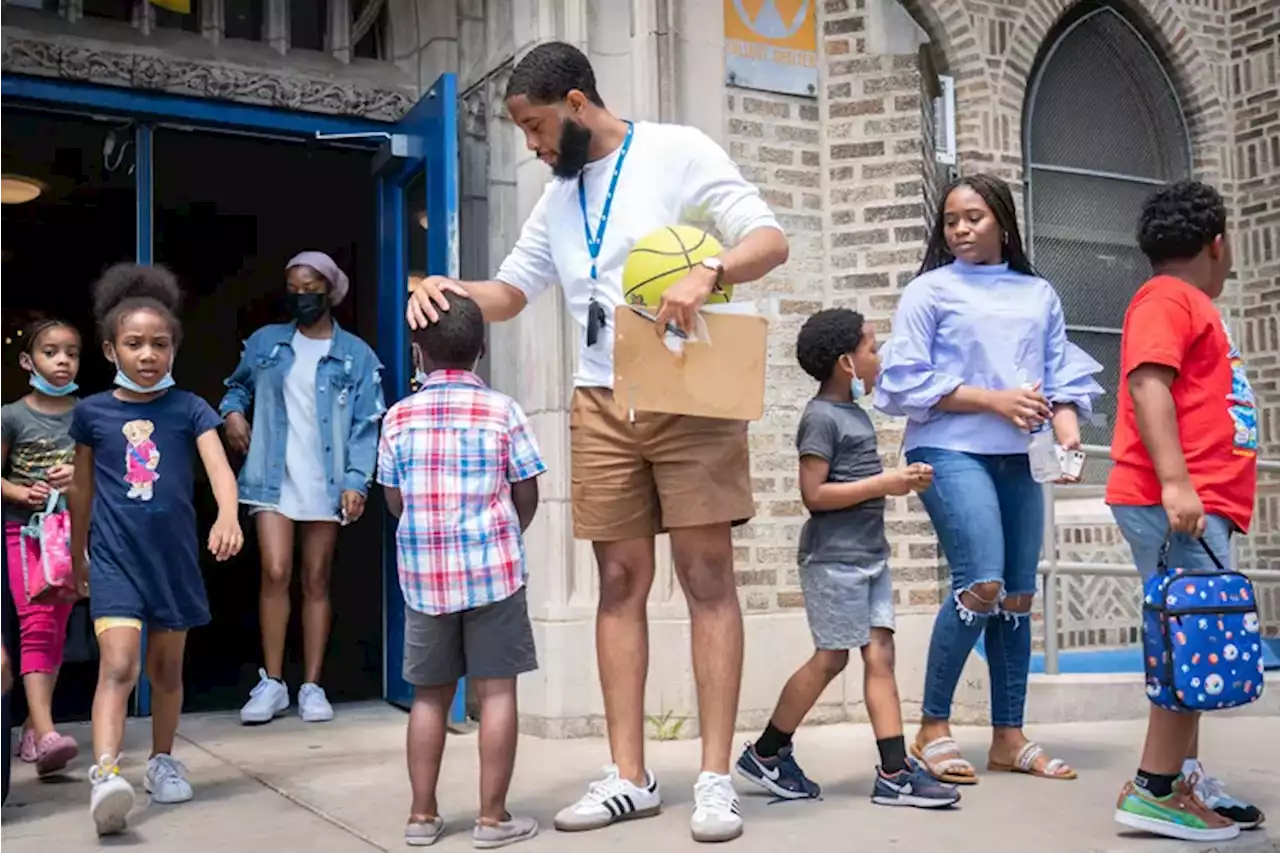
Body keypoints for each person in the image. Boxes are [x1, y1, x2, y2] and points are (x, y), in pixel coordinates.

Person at [406, 42, 788, 843]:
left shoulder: (678, 150)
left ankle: (716, 779)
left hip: (689, 390)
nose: (533, 146)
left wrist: (710, 271)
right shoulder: (557, 199)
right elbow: (511, 293)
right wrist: (449, 285)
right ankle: (630, 775)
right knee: (619, 577)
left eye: (537, 126)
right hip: (600, 398)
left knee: (707, 573)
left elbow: (768, 239)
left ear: (576, 103)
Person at [875, 174, 1103, 784]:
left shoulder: (1038, 293)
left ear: (1002, 221)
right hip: (949, 449)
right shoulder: (929, 291)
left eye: (973, 217)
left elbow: (1057, 370)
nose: (960, 229)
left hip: (1021, 455)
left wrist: (1067, 424)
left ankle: (1008, 736)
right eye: (951, 220)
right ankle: (933, 727)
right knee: (983, 582)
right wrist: (993, 400)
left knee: (1019, 597)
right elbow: (903, 380)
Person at [735, 308, 959, 810]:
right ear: (846, 363)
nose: (879, 357)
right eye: (872, 349)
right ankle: (767, 753)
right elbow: (814, 494)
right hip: (833, 561)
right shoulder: (820, 417)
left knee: (880, 654)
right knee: (831, 658)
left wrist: (899, 480)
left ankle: (895, 771)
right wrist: (889, 483)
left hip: (870, 555)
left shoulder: (855, 413)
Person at [1107, 181, 1263, 841]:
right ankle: (1155, 788)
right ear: (1219, 243)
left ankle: (1181, 775)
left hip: (1195, 503)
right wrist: (1176, 483)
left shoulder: (1184, 301)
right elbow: (1148, 382)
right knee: (1189, 636)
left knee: (1192, 634)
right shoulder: (1169, 298)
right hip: (1174, 500)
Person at [68, 264, 243, 836]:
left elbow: (219, 470)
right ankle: (107, 773)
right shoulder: (92, 413)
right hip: (116, 560)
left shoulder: (190, 407)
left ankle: (163, 761)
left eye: (159, 344)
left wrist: (227, 515)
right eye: (134, 344)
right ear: (110, 349)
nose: (148, 354)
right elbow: (82, 491)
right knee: (119, 665)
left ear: (175, 349)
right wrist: (77, 556)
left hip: (174, 563)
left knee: (167, 672)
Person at [378, 294, 545, 848]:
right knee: (497, 694)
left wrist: (429, 530)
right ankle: (492, 819)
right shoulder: (504, 411)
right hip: (494, 572)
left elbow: (394, 499)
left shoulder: (399, 417)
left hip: (426, 578)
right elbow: (527, 492)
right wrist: (501, 535)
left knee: (428, 696)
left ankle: (422, 816)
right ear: (482, 349)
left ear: (417, 353)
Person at [221, 252, 385, 725]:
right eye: (292, 287)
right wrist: (232, 413)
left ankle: (312, 685)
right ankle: (272, 682)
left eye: (310, 286)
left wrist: (357, 479)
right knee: (275, 570)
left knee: (316, 579)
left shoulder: (355, 355)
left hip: (326, 481)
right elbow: (236, 387)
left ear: (330, 290)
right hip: (272, 475)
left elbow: (365, 424)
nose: (300, 295)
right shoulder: (266, 343)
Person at [0, 318, 82, 776]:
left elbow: (107, 475)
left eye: (71, 353)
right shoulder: (10, 415)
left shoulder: (87, 414)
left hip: (72, 533)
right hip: (24, 534)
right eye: (52, 352)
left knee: (58, 626)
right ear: (28, 361)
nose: (63, 361)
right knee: (35, 623)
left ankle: (34, 725)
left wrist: (79, 478)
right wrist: (15, 492)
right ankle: (48, 733)